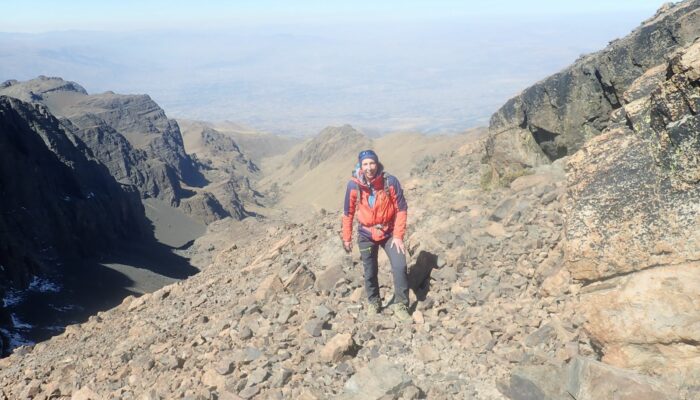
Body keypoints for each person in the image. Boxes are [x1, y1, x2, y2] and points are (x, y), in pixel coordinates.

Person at [342, 149, 411, 321]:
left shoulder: (390, 182)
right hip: (366, 234)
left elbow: (401, 209)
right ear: (360, 165)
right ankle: (374, 302)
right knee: (370, 271)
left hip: (389, 233)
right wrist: (347, 237)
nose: (369, 167)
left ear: (377, 163)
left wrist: (398, 235)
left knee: (400, 266)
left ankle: (401, 303)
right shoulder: (354, 185)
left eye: (372, 163)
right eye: (365, 164)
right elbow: (348, 213)